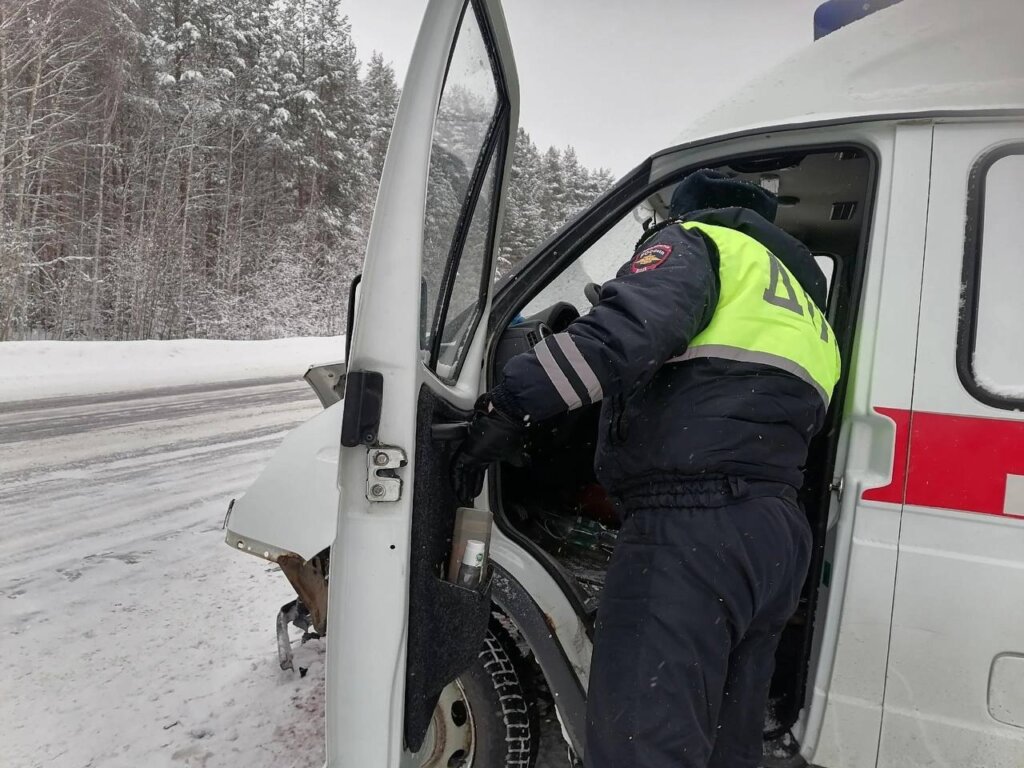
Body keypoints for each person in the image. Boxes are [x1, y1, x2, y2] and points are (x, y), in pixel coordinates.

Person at [452, 168, 841, 768]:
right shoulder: (806, 308)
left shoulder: (701, 242)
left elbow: (625, 331)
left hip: (691, 535)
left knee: (642, 747)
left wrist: (507, 404)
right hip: (775, 536)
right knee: (726, 744)